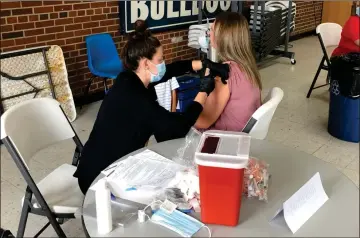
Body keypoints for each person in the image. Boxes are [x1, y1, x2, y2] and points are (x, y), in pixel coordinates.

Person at [73, 20, 229, 194]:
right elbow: (177, 128)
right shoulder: (138, 99)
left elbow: (168, 70)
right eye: (160, 60)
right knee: (175, 184)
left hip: (99, 163)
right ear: (146, 63)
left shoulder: (128, 78)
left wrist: (204, 64)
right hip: (99, 180)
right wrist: (203, 93)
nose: (163, 63)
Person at [195, 12, 262, 131]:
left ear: (222, 37)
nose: (209, 34)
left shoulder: (224, 74)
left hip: (225, 139)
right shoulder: (248, 67)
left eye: (212, 30)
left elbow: (202, 122)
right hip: (244, 135)